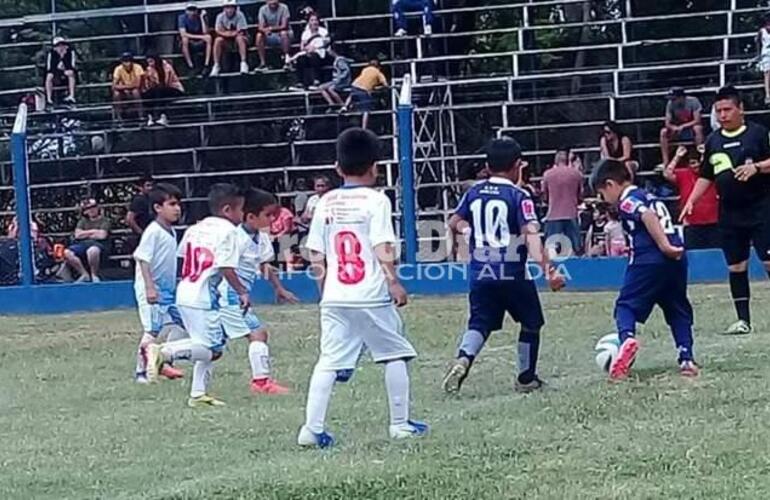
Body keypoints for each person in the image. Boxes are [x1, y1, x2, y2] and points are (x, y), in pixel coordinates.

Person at [298, 128, 428, 448]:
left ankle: (311, 429)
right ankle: (400, 423)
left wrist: (323, 287)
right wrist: (393, 280)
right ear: (375, 167)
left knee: (328, 360)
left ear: (338, 168)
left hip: (335, 294)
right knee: (394, 352)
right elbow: (382, 243)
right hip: (369, 294)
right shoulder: (376, 200)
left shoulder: (325, 202)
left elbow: (315, 251)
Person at [442, 137, 565, 395]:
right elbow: (531, 236)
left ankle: (464, 357)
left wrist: (468, 230)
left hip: (480, 272)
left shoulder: (473, 192)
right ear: (518, 166)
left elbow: (454, 221)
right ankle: (526, 378)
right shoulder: (518, 196)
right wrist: (549, 270)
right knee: (531, 322)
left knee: (479, 323)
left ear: (487, 166)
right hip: (511, 272)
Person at [591, 158, 697, 380]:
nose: (605, 200)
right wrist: (671, 247)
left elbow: (646, 216)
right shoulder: (650, 195)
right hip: (677, 259)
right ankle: (686, 357)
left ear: (610, 184)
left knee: (625, 307)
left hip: (649, 259)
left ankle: (626, 338)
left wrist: (664, 246)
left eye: (602, 193)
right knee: (677, 309)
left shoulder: (627, 201)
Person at [680, 86, 770, 335]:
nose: (722, 115)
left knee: (769, 261)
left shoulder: (759, 134)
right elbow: (706, 175)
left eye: (727, 109)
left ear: (741, 109)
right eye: (718, 111)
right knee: (736, 266)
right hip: (730, 213)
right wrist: (691, 200)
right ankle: (743, 320)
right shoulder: (713, 141)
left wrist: (758, 167)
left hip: (762, 209)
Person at [147, 184, 245, 407]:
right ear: (228, 209)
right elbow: (227, 267)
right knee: (213, 349)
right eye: (241, 209)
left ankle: (198, 394)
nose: (242, 215)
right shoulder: (229, 231)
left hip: (186, 289)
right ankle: (164, 352)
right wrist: (242, 291)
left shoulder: (196, 228)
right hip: (203, 295)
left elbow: (182, 258)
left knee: (207, 343)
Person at [218, 188, 299, 394]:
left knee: (214, 345)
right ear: (251, 216)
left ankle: (165, 354)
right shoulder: (234, 237)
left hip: (237, 295)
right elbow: (226, 268)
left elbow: (264, 265)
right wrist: (241, 291)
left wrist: (279, 288)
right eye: (268, 215)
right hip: (228, 295)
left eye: (274, 214)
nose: (272, 219)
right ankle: (261, 382)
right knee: (257, 334)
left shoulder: (261, 237)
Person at [133, 183, 186, 384]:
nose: (177, 208)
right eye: (171, 204)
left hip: (168, 290)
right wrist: (149, 287)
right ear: (157, 207)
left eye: (178, 204)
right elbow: (142, 259)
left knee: (181, 324)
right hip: (152, 288)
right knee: (152, 330)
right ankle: (141, 372)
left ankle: (163, 360)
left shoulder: (171, 232)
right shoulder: (153, 231)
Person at [663, 145, 720, 250]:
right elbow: (667, 174)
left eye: (699, 162)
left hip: (714, 222)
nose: (696, 165)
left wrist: (706, 153)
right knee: (693, 256)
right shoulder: (684, 173)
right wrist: (677, 157)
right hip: (692, 224)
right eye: (693, 162)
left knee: (716, 254)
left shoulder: (712, 172)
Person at [542, 148, 584, 256]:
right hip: (571, 213)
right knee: (577, 248)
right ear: (567, 160)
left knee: (551, 248)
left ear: (555, 160)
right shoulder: (576, 174)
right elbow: (581, 195)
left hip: (553, 215)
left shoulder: (547, 175)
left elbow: (545, 196)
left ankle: (551, 270)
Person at [64, 198, 111, 283]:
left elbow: (102, 235)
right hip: (82, 245)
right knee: (67, 252)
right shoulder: (82, 221)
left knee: (92, 251)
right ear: (85, 211)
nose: (91, 210)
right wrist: (94, 232)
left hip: (99, 245)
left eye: (93, 207)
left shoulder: (105, 220)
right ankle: (84, 274)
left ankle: (94, 275)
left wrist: (85, 233)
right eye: (88, 208)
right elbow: (77, 235)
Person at [660, 87, 704, 166]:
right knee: (663, 132)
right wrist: (673, 127)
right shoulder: (670, 103)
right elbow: (667, 122)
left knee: (698, 128)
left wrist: (683, 126)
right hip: (676, 130)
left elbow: (697, 120)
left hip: (690, 128)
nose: (672, 101)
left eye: (674, 99)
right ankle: (665, 162)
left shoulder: (693, 101)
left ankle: (701, 157)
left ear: (681, 97)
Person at [141, 53, 185, 127]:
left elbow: (167, 82)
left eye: (151, 61)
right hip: (158, 90)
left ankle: (162, 116)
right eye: (148, 62)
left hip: (173, 88)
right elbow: (150, 84)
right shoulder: (149, 69)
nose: (150, 64)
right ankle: (150, 117)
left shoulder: (167, 67)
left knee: (160, 92)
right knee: (148, 94)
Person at [343, 59, 388, 130]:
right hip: (364, 89)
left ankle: (345, 106)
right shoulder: (379, 73)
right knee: (366, 109)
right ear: (379, 67)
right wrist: (379, 87)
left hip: (355, 84)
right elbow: (385, 85)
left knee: (351, 95)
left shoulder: (365, 69)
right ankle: (364, 128)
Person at [211, 0, 249, 77]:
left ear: (235, 8)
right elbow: (218, 32)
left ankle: (243, 63)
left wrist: (226, 33)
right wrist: (230, 33)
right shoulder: (219, 16)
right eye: (227, 7)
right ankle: (216, 65)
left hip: (238, 41)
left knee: (240, 38)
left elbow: (241, 31)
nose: (229, 9)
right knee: (218, 40)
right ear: (224, 8)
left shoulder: (240, 15)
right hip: (226, 41)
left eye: (231, 7)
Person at [294, 13, 331, 89]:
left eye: (316, 20)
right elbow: (302, 46)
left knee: (314, 57)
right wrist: (307, 49)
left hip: (321, 54)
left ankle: (316, 80)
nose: (314, 22)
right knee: (300, 59)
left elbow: (326, 43)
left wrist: (314, 47)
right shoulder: (305, 33)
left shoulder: (323, 31)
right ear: (309, 22)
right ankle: (300, 82)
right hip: (308, 53)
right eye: (312, 20)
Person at [256, 0, 293, 71]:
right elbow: (260, 27)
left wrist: (270, 28)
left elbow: (284, 25)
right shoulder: (262, 9)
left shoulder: (284, 7)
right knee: (259, 36)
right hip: (270, 34)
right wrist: (265, 30)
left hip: (285, 34)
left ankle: (287, 61)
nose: (273, 2)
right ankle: (263, 64)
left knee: (283, 33)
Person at [178, 3, 212, 71]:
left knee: (209, 38)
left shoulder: (201, 17)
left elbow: (205, 32)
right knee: (185, 40)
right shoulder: (182, 18)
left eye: (193, 10)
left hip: (200, 41)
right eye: (190, 10)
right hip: (190, 40)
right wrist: (201, 37)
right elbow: (183, 34)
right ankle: (190, 66)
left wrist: (202, 18)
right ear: (186, 11)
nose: (192, 12)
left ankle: (206, 65)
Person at [112, 52, 144, 122]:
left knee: (135, 92)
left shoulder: (138, 67)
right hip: (124, 91)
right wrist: (127, 87)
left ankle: (140, 116)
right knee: (116, 94)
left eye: (128, 61)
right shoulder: (118, 69)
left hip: (136, 91)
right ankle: (118, 117)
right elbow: (114, 86)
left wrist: (123, 86)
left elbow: (138, 84)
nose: (127, 63)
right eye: (125, 61)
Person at [45, 37, 77, 106]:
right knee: (49, 77)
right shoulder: (51, 54)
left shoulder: (70, 52)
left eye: (62, 45)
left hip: (67, 71)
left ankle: (71, 96)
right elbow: (50, 68)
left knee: (70, 74)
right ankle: (49, 99)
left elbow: (72, 66)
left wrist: (63, 57)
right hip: (56, 72)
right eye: (58, 46)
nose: (61, 47)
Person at [126, 175, 154, 248]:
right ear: (141, 187)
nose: (150, 188)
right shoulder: (138, 200)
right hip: (142, 234)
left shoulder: (150, 198)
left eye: (151, 185)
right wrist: (141, 233)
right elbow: (129, 219)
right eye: (147, 185)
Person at [758, 15, 770, 105]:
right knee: (767, 75)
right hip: (766, 55)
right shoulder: (761, 31)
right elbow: (758, 43)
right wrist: (759, 55)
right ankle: (767, 95)